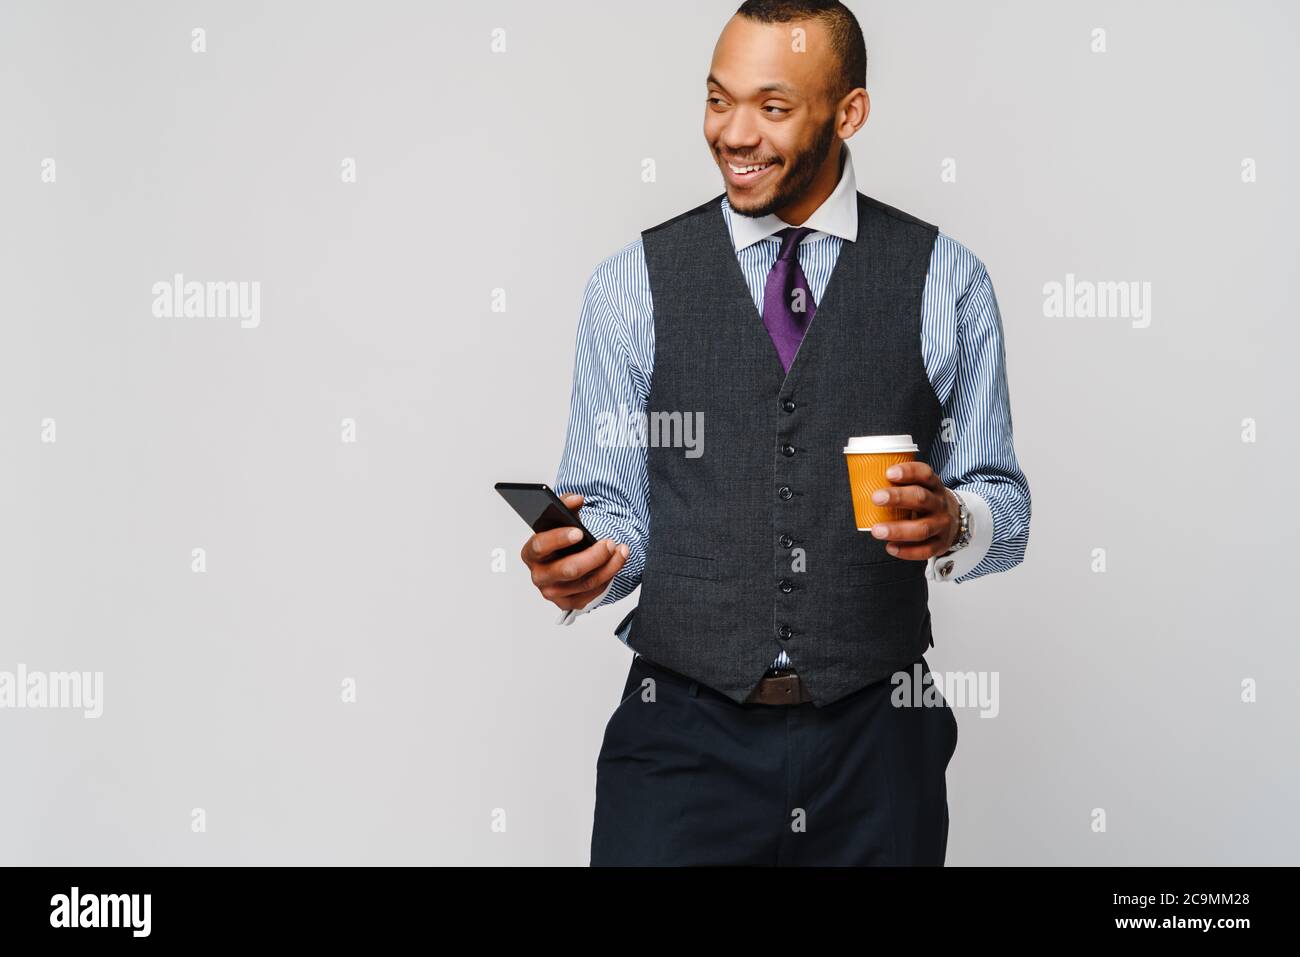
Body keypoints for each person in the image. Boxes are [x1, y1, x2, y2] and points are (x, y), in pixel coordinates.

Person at [518, 0, 1030, 865]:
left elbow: (1003, 502)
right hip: (678, 740)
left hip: (878, 739)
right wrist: (583, 566)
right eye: (718, 100)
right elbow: (617, 517)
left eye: (773, 106)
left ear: (849, 112)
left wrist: (960, 521)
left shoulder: (948, 280)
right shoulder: (629, 285)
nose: (734, 133)